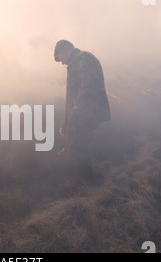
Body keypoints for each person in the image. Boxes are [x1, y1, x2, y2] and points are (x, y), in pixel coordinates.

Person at [54, 40, 110, 181]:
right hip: (85, 114)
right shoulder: (78, 61)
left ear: (63, 51)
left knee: (78, 149)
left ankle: (87, 185)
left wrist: (77, 109)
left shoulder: (82, 59)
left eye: (60, 58)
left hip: (87, 115)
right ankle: (87, 183)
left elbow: (86, 87)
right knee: (78, 148)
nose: (62, 63)